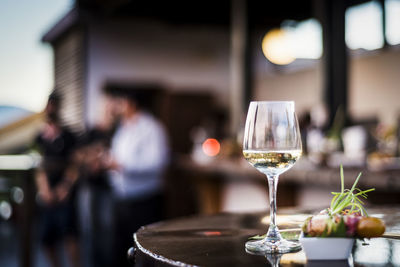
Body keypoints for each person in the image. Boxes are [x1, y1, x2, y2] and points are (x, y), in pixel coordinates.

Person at [103, 86, 169, 267]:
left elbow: (158, 163)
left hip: (144, 200)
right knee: (121, 252)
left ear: (131, 104)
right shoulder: (123, 128)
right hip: (122, 199)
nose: (116, 106)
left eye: (120, 102)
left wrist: (121, 166)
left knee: (144, 254)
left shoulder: (152, 128)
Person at [34, 92, 81, 267]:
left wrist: (65, 187)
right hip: (48, 196)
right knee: (47, 240)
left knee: (70, 236)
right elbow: (39, 166)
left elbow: (74, 163)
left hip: (66, 195)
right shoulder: (40, 137)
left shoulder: (68, 135)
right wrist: (44, 189)